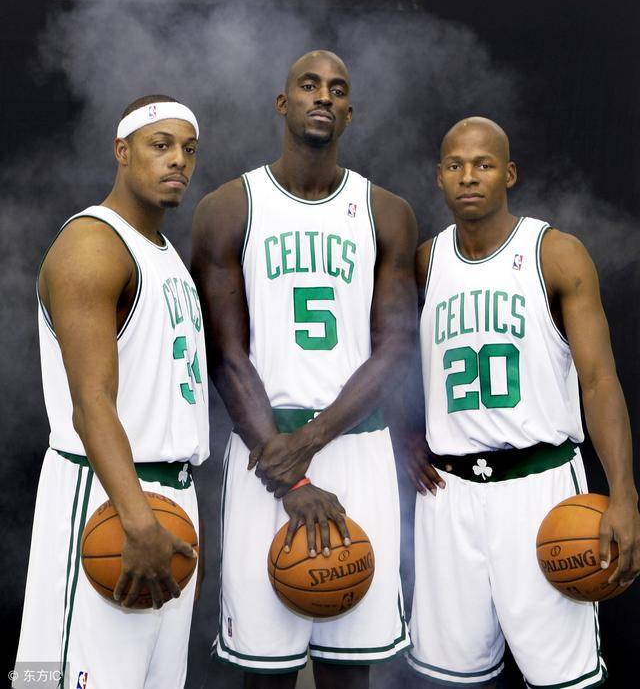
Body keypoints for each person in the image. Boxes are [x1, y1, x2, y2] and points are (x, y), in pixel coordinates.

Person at [191, 50, 416, 688]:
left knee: (350, 668)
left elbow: (396, 346)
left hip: (354, 446)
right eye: (309, 85)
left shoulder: (386, 211)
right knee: (266, 669)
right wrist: (286, 471)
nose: (323, 96)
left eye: (337, 90)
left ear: (350, 112)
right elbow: (225, 353)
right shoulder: (229, 207)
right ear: (283, 103)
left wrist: (309, 442)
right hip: (263, 448)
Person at [406, 116, 640, 688]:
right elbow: (395, 360)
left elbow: (599, 381)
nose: (469, 176)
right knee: (448, 679)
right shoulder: (426, 262)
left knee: (563, 680)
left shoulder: (555, 254)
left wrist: (624, 495)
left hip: (540, 489)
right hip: (449, 495)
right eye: (456, 165)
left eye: (483, 165)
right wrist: (405, 433)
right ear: (439, 176)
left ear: (508, 174)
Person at [13, 95, 209, 689]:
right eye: (160, 145)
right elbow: (90, 401)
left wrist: (171, 518)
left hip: (168, 499)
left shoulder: (165, 255)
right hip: (104, 499)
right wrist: (138, 519)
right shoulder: (92, 245)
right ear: (122, 151)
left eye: (189, 149)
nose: (178, 160)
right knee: (60, 679)